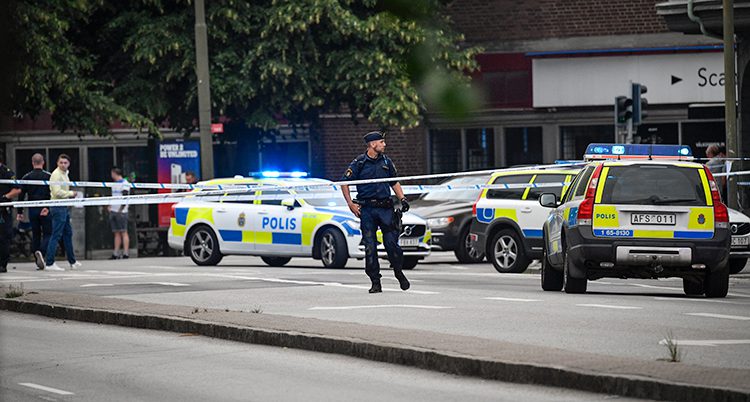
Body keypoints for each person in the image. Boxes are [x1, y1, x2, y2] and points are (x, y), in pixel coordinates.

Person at [340, 131, 410, 293]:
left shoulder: (386, 161)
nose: (384, 144)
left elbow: (394, 182)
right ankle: (375, 281)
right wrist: (350, 204)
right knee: (370, 247)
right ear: (372, 145)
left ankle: (398, 272)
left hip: (385, 208)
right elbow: (344, 182)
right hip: (368, 210)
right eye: (381, 142)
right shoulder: (359, 163)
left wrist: (403, 199)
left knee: (392, 245)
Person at [44, 154, 80, 271]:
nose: (63, 164)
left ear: (68, 164)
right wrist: (71, 194)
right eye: (61, 162)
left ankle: (72, 261)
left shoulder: (65, 174)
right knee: (56, 234)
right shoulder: (56, 175)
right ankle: (49, 263)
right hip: (58, 206)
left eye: (65, 162)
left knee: (68, 234)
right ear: (57, 163)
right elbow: (57, 192)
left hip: (64, 206)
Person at [16, 153, 52, 270]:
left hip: (33, 208)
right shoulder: (49, 177)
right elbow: (52, 193)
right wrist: (48, 207)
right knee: (48, 233)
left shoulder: (26, 177)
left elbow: (21, 195)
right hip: (45, 208)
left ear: (32, 163)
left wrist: (19, 211)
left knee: (35, 234)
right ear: (43, 162)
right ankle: (41, 252)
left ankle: (37, 257)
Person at [0, 152, 22, 273]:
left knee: (4, 237)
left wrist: (5, 197)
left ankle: (2, 264)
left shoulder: (6, 172)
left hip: (3, 210)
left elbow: (17, 189)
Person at [109, 167, 131, 259]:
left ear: (114, 173)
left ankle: (126, 252)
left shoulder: (125, 184)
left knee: (123, 231)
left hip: (121, 211)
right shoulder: (113, 184)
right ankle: (116, 253)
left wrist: (121, 209)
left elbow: (125, 196)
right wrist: (110, 205)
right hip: (113, 210)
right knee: (116, 232)